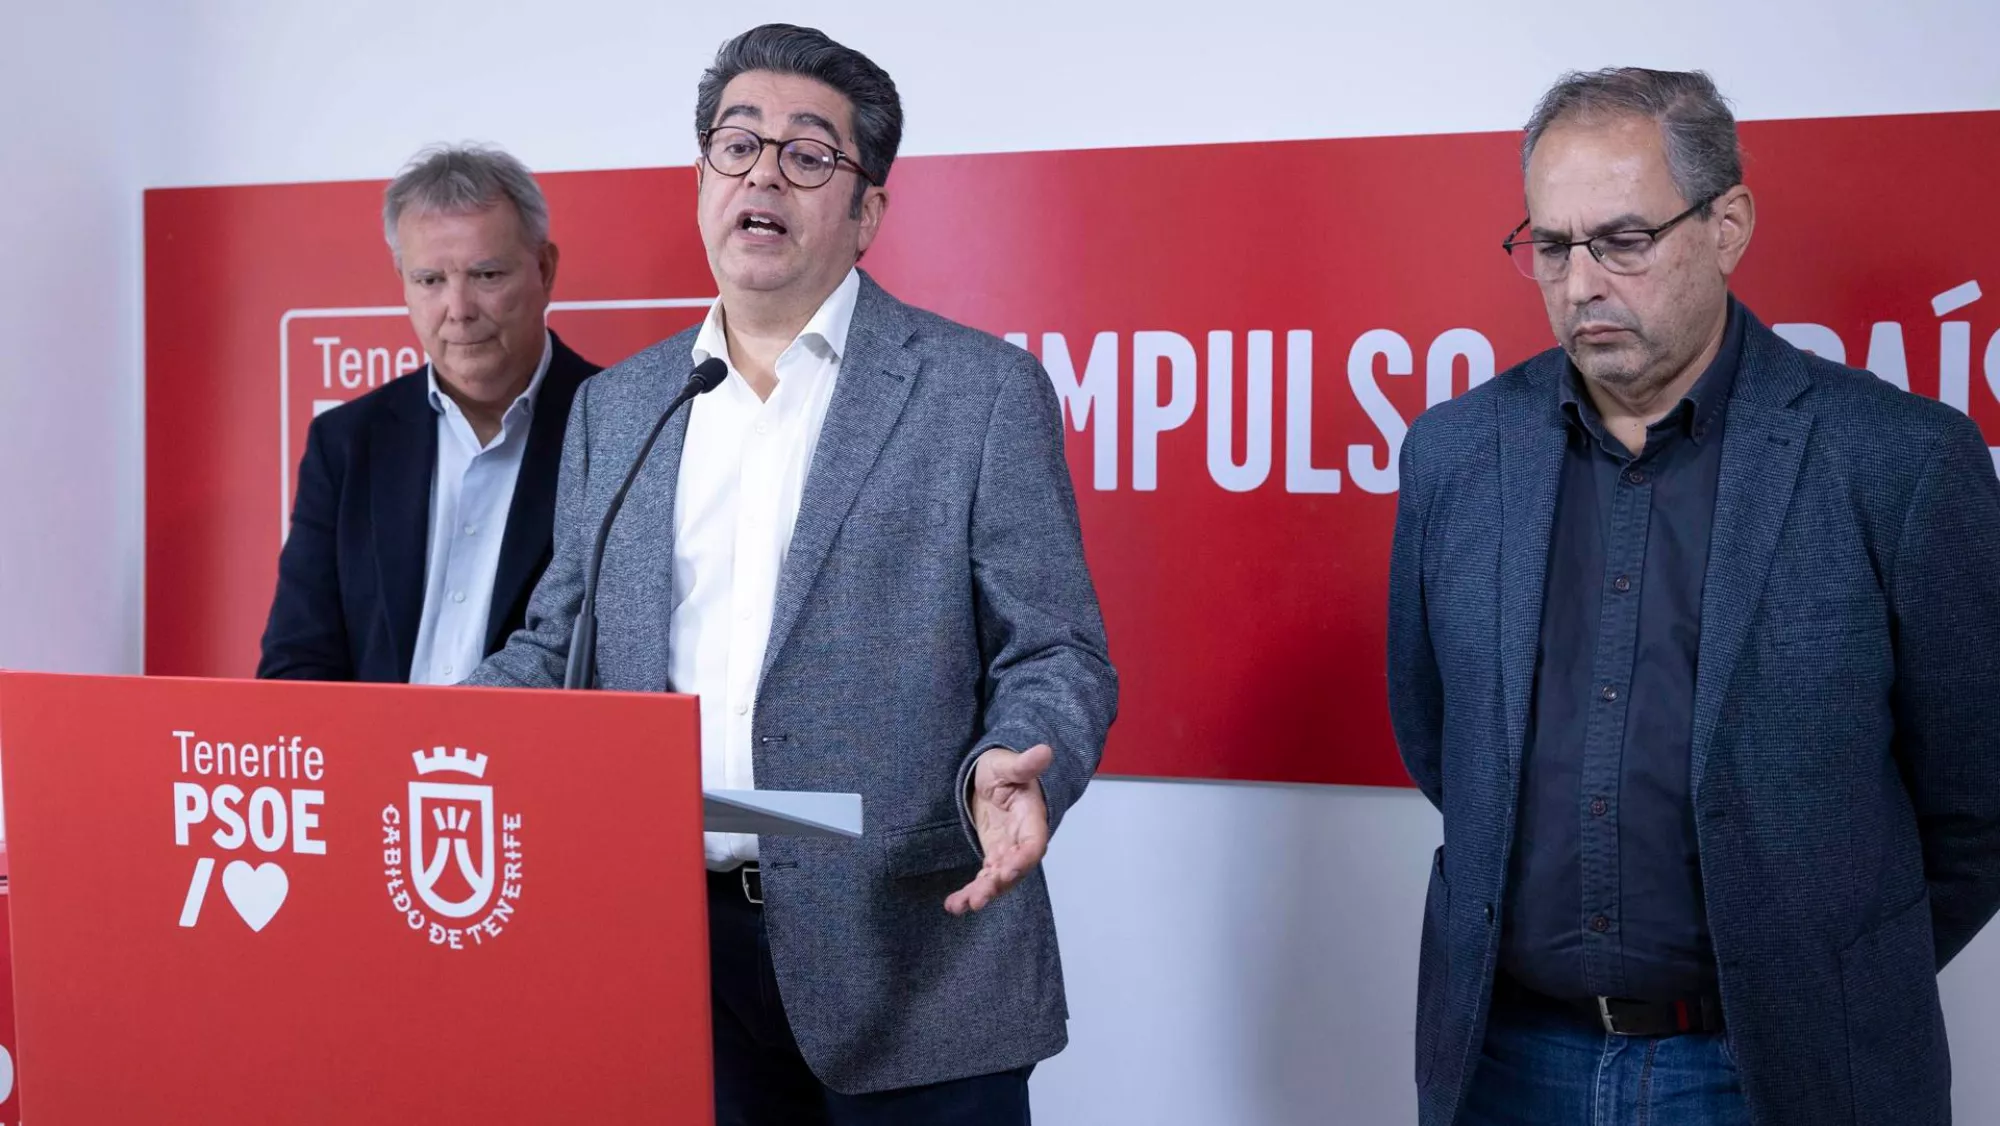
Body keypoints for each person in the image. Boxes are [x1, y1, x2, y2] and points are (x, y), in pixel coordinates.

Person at [466, 24, 1116, 1125]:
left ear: (865, 213)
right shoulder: (619, 409)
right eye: (737, 146)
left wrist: (1017, 768)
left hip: (912, 955)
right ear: (701, 182)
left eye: (807, 154)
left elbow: (1054, 649)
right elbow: (554, 647)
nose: (764, 172)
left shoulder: (976, 394)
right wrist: (421, 738)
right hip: (674, 960)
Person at [1388, 66, 2000, 1126]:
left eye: (1621, 240)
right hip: (1505, 1064)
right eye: (1549, 244)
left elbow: (1976, 804)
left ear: (1725, 225)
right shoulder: (1452, 456)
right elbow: (1442, 738)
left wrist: (1821, 972)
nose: (1578, 282)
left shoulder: (1899, 461)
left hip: (1784, 1072)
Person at [259, 144, 599, 684]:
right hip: (369, 761)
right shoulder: (346, 443)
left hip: (539, 761)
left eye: (486, 275)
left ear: (544, 269)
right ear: (403, 282)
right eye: (430, 281)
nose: (458, 311)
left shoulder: (618, 432)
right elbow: (297, 665)